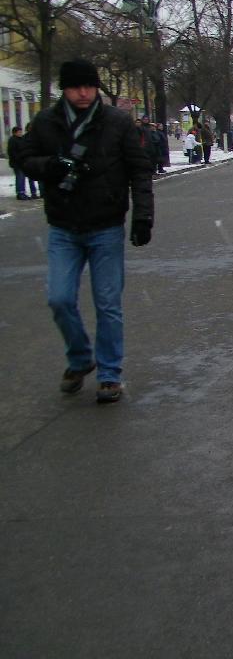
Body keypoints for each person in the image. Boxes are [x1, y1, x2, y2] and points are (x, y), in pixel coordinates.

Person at [13, 59, 154, 404]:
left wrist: (143, 217)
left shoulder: (116, 122)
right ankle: (79, 358)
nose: (83, 93)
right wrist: (51, 166)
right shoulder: (46, 122)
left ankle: (109, 374)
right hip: (63, 226)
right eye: (76, 87)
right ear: (64, 89)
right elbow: (23, 158)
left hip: (106, 225)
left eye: (89, 86)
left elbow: (139, 170)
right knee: (59, 299)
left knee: (107, 303)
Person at [8, 125, 39, 199]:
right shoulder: (13, 140)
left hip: (24, 161)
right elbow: (13, 152)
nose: (21, 133)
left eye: (21, 131)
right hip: (17, 163)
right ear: (15, 132)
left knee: (25, 177)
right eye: (19, 132)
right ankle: (20, 193)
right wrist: (20, 159)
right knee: (20, 177)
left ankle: (30, 193)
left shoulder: (21, 139)